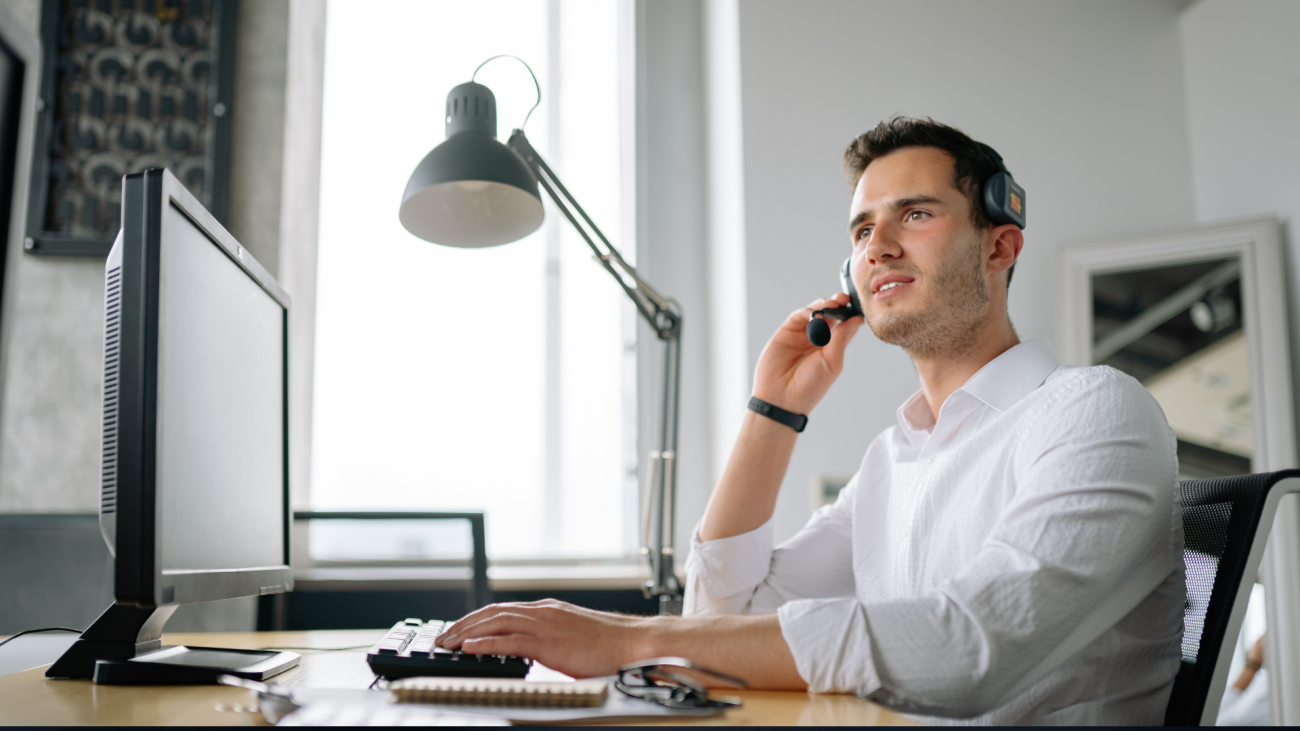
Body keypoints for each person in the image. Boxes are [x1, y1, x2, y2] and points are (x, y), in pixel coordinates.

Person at [436, 117, 1185, 725]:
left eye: (915, 214)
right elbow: (726, 613)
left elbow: (969, 652)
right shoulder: (897, 457)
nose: (878, 246)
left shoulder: (1093, 410)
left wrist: (626, 638)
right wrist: (774, 410)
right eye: (862, 230)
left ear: (1000, 243)